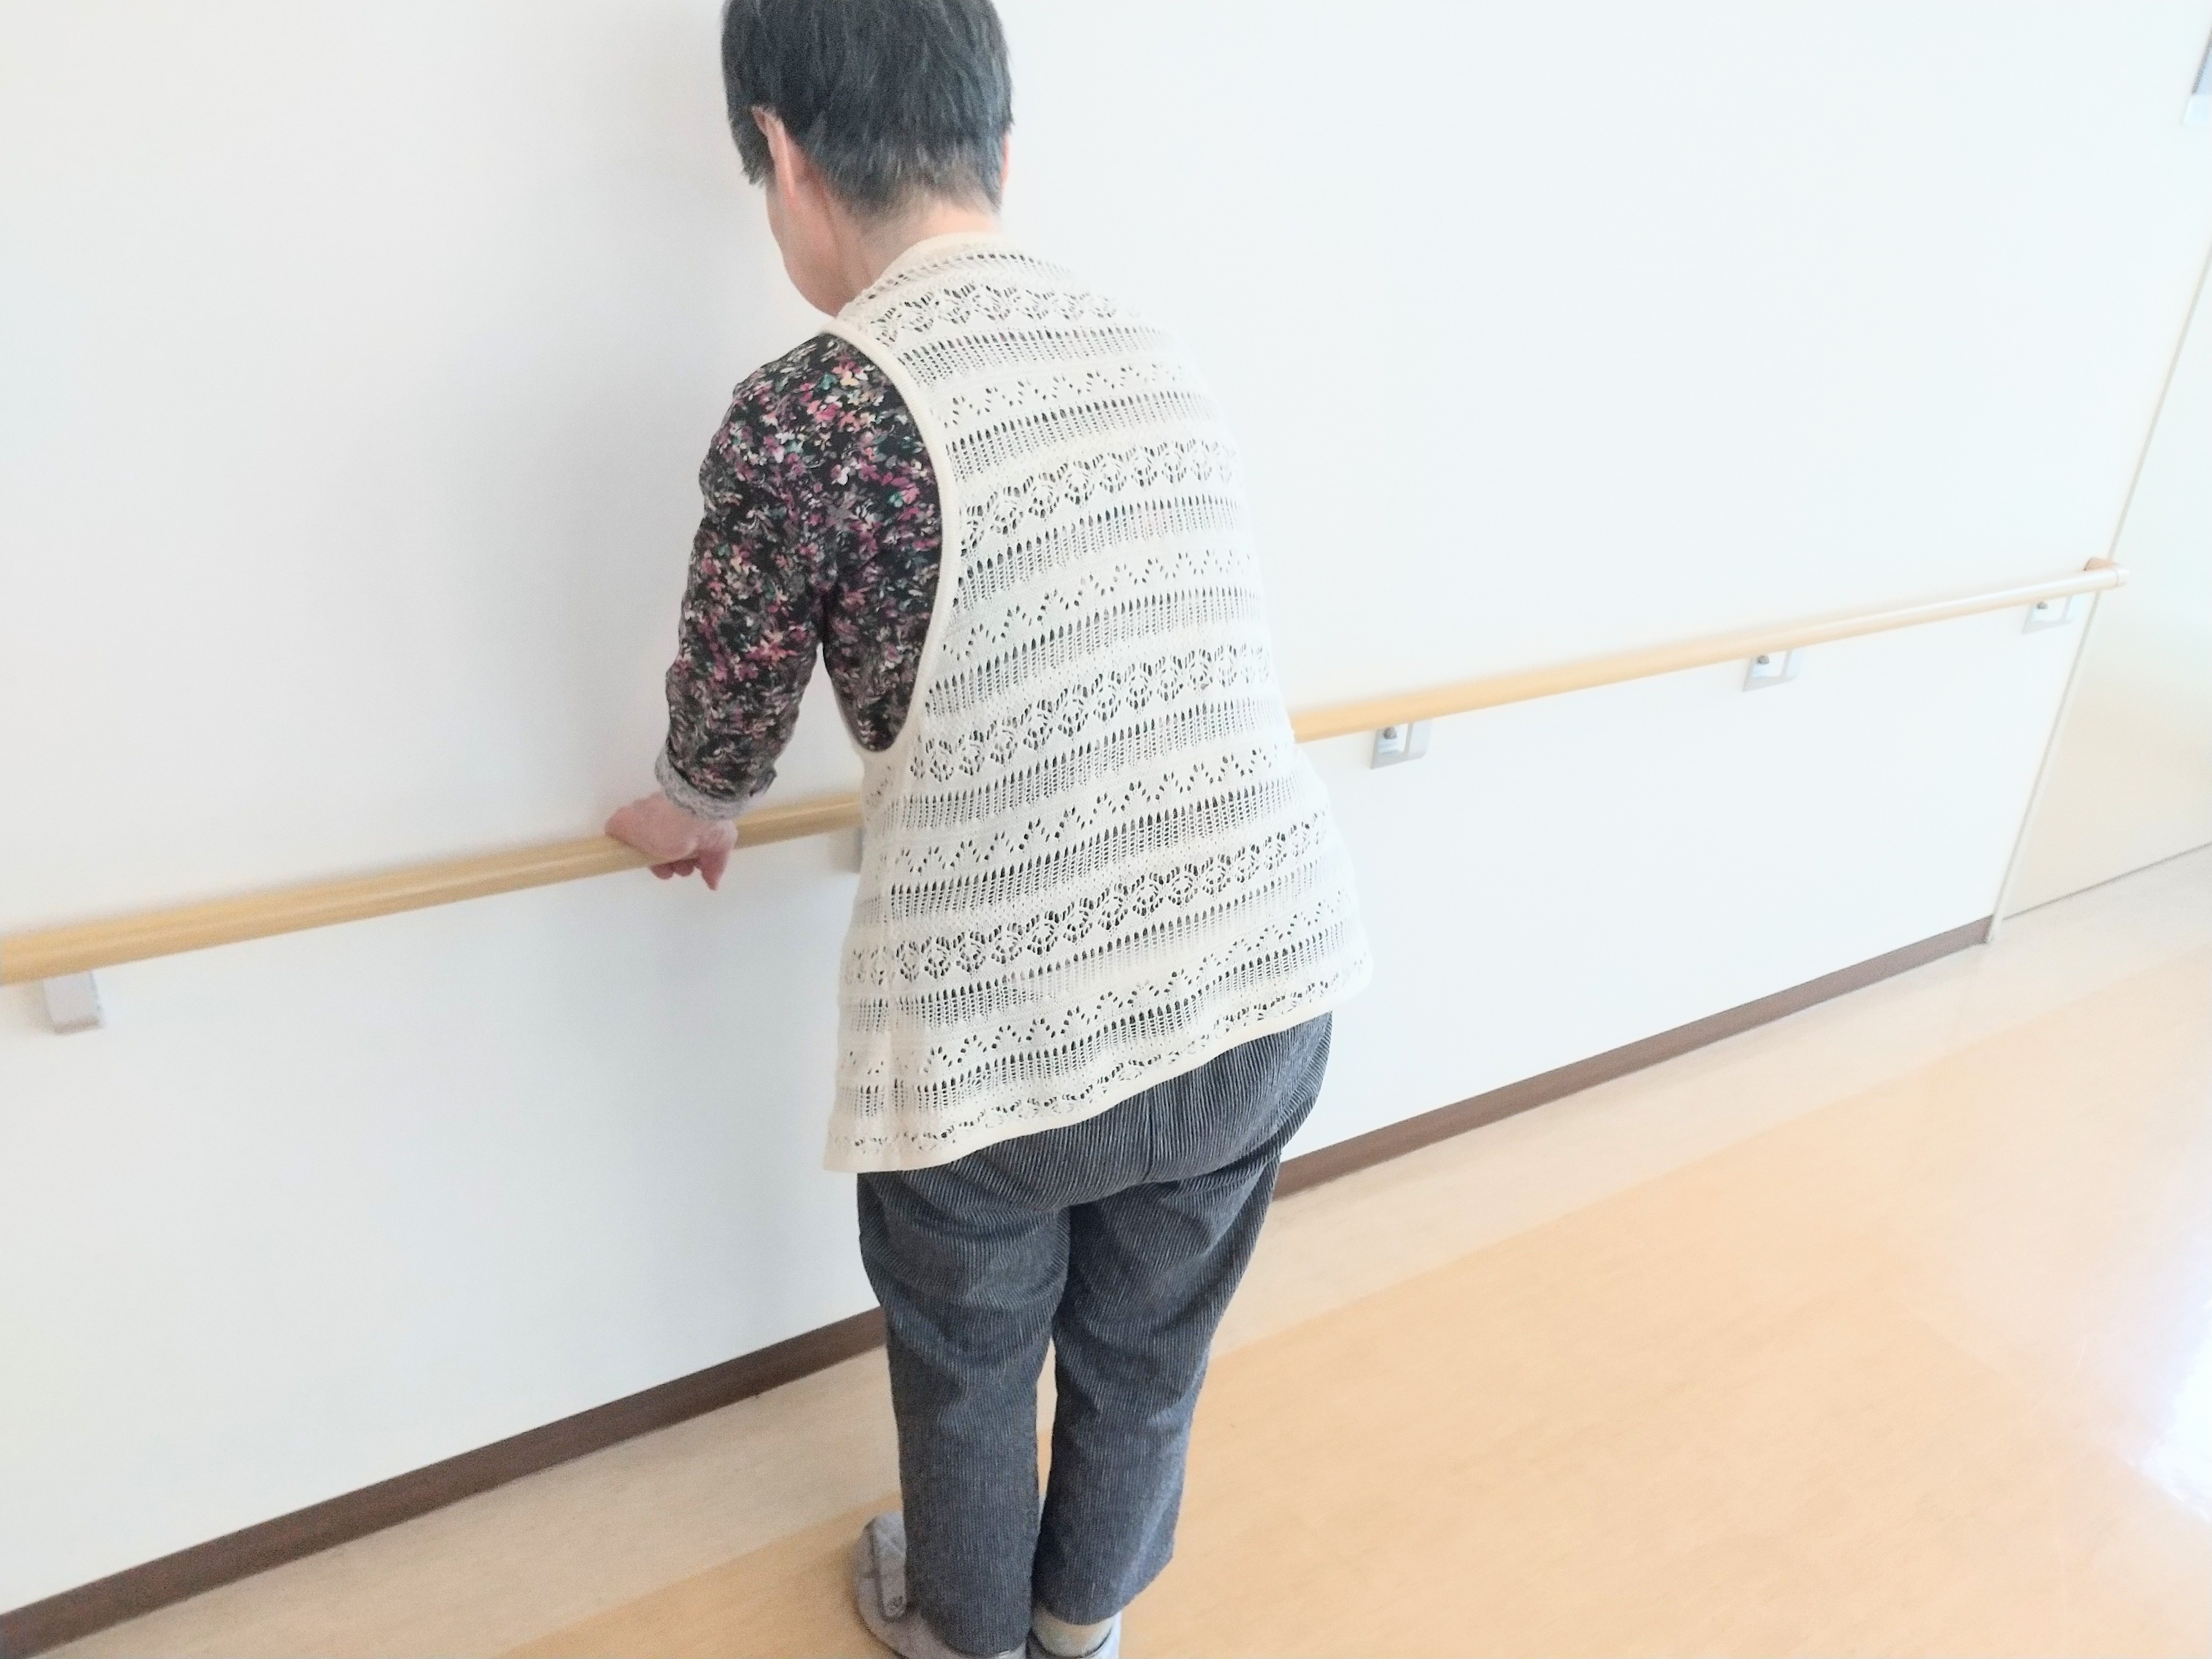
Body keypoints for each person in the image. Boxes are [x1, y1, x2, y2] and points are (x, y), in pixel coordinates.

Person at [603, 2, 1370, 1654]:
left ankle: (968, 1628)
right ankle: (1081, 1620)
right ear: (1000, 149)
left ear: (782, 155)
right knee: (1148, 1350)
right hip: (1262, 979)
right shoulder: (1150, 351)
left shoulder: (813, 415)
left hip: (1001, 1035)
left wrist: (689, 809)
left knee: (969, 1359)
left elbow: (731, 712)